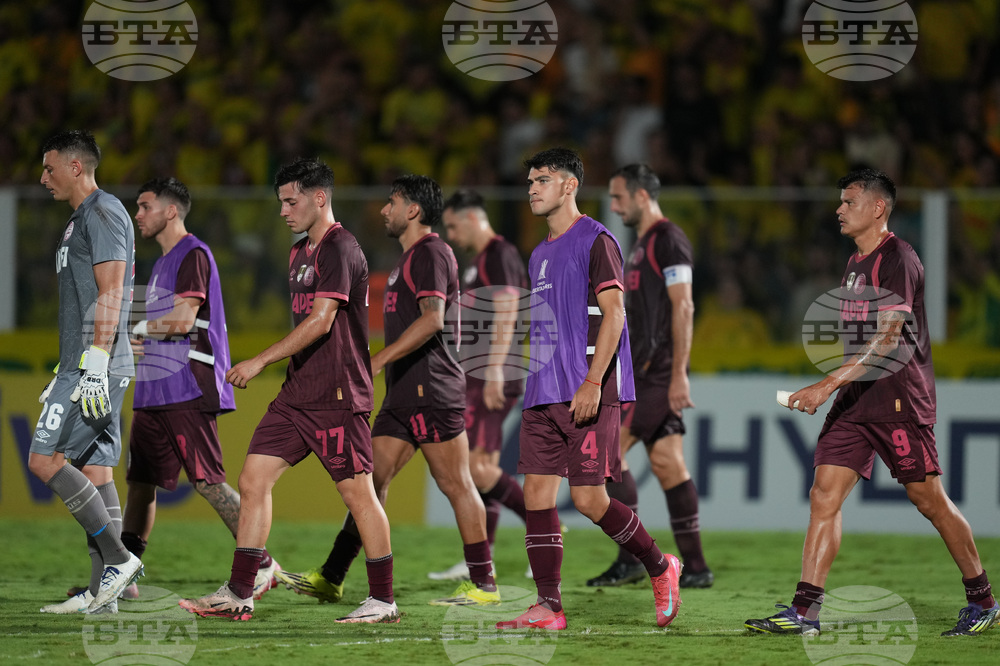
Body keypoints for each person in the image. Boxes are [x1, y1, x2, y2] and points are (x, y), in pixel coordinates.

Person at [745, 168, 999, 637]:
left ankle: (983, 600)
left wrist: (827, 385)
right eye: (840, 201)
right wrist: (839, 385)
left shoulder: (898, 258)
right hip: (857, 399)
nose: (839, 210)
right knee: (823, 494)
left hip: (898, 399)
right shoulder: (854, 263)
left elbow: (887, 342)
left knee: (928, 499)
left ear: (878, 207)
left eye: (849, 202)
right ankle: (805, 612)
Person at [178, 158, 398, 623]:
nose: (282, 211)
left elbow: (321, 322)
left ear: (319, 198)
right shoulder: (300, 252)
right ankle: (240, 591)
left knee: (359, 495)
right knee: (252, 479)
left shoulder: (341, 248)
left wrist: (259, 360)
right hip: (298, 393)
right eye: (280, 201)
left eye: (290, 201)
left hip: (338, 396)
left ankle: (383, 600)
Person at [276, 175, 499, 607]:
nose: (384, 210)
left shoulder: (432, 252)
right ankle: (333, 575)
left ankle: (484, 584)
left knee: (456, 483)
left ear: (412, 210)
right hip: (403, 393)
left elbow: (433, 319)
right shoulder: (408, 259)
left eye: (392, 202)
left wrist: (377, 361)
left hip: (434, 389)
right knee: (369, 482)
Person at [496, 148, 681, 632]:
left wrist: (593, 381)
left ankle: (660, 566)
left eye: (542, 179)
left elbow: (615, 315)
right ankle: (548, 606)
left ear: (569, 185)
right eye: (529, 181)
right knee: (536, 495)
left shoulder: (596, 240)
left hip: (587, 390)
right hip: (543, 391)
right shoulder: (538, 253)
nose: (532, 189)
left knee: (589, 501)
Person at [123, 177, 280, 601]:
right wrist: (142, 338)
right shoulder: (163, 262)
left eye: (145, 206)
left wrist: (138, 328)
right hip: (155, 389)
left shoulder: (193, 253)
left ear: (171, 211)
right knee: (141, 482)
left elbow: (181, 321)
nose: (138, 215)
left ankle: (263, 564)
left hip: (186, 385)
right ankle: (122, 578)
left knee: (209, 481)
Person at [31, 130, 143, 614]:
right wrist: (66, 366)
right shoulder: (82, 219)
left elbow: (112, 290)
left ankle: (119, 560)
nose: (43, 178)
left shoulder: (102, 211)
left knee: (44, 461)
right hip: (84, 363)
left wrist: (94, 363)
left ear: (75, 167)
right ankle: (103, 594)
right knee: (95, 470)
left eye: (49, 167)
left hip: (96, 365)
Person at [586, 164, 713, 589]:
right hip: (645, 371)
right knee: (667, 463)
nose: (614, 205)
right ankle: (697, 568)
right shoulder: (642, 245)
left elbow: (684, 306)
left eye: (619, 197)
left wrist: (678, 375)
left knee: (610, 453)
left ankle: (630, 560)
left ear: (642, 196)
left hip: (654, 374)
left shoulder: (668, 239)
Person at [429, 189, 529, 581]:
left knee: (476, 468)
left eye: (453, 226)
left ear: (473, 218)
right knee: (481, 469)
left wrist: (495, 369)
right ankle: (480, 560)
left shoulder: (499, 254)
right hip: (477, 373)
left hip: (491, 372)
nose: (451, 235)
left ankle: (544, 525)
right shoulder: (481, 262)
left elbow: (507, 309)